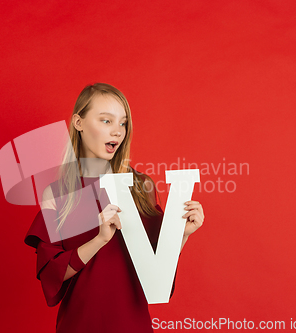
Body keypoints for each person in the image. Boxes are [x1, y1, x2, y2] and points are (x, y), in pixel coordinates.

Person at [24, 83, 205, 332]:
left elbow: (156, 271)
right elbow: (53, 274)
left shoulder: (142, 186)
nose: (118, 132)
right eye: (106, 121)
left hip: (132, 324)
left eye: (123, 123)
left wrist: (180, 234)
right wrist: (99, 239)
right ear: (79, 123)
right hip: (80, 324)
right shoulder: (56, 195)